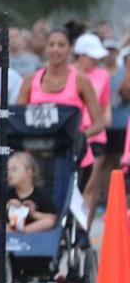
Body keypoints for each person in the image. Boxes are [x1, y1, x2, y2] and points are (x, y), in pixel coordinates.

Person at [15, 27, 106, 227]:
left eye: (61, 45)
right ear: (45, 48)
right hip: (38, 156)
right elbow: (17, 119)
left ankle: (76, 234)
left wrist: (81, 135)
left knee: (65, 205)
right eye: (51, 44)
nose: (56, 49)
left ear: (70, 49)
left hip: (72, 156)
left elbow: (99, 122)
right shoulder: (31, 81)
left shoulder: (80, 81)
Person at [74, 33, 115, 226]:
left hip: (95, 134)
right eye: (92, 57)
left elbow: (105, 102)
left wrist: (106, 116)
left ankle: (83, 231)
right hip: (73, 134)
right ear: (80, 56)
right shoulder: (69, 73)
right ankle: (68, 226)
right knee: (71, 186)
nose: (96, 61)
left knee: (89, 187)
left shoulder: (103, 75)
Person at [0, 151, 55, 233]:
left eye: (14, 169)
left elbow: (53, 218)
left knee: (49, 222)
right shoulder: (8, 193)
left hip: (29, 228)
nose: (9, 173)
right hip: (9, 226)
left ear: (30, 171)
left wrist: (33, 214)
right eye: (8, 170)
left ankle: (22, 232)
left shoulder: (40, 194)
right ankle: (13, 232)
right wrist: (7, 206)